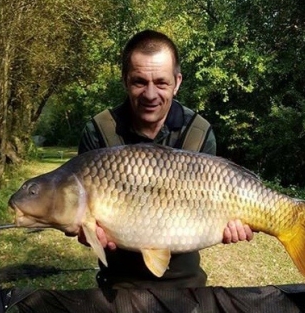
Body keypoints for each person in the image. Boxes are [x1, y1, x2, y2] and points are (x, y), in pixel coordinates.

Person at [78, 29, 254, 289]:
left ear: (177, 81)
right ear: (125, 80)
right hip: (119, 282)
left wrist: (233, 225)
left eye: (161, 83)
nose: (150, 95)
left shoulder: (198, 131)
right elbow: (83, 217)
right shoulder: (99, 130)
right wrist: (87, 232)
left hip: (185, 280)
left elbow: (213, 207)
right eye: (139, 82)